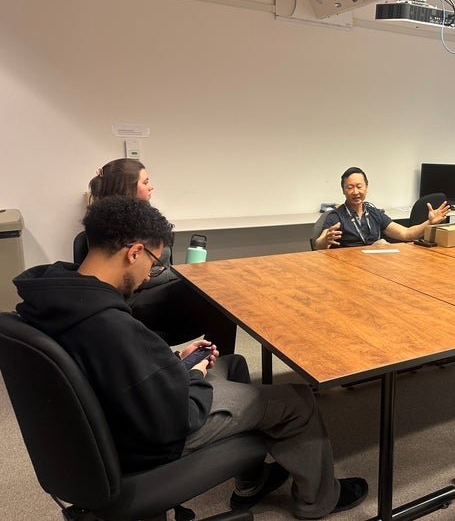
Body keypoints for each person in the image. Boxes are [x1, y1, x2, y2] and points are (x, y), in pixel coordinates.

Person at [14, 197, 367, 519]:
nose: (149, 275)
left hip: (117, 413)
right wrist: (192, 375)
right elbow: (176, 418)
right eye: (152, 262)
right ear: (134, 252)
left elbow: (123, 368)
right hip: (153, 436)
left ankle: (251, 482)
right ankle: (319, 501)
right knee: (296, 399)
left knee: (236, 365)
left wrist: (172, 364)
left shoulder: (55, 291)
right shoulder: (108, 325)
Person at [84, 158, 238, 355]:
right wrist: (180, 274)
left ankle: (211, 361)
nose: (151, 187)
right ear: (128, 187)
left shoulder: (142, 219)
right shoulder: (116, 227)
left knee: (217, 294)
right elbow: (137, 278)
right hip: (134, 298)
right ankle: (217, 363)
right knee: (219, 297)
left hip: (156, 289)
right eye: (145, 182)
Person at [313, 167, 451, 249]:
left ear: (367, 188)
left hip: (374, 267)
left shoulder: (374, 213)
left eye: (359, 187)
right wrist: (326, 240)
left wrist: (430, 223)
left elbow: (406, 234)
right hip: (346, 269)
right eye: (350, 188)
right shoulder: (336, 216)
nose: (355, 192)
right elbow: (318, 244)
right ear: (343, 190)